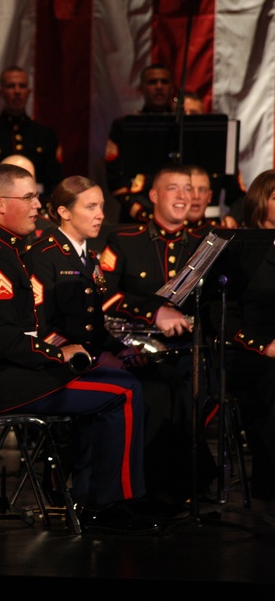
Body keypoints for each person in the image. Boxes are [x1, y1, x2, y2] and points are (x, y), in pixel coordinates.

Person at [0, 163, 158, 533]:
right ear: (0, 203)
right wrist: (60, 354)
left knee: (110, 380)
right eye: (28, 197)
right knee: (124, 392)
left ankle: (89, 496)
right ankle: (108, 504)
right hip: (1, 383)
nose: (37, 205)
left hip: (0, 373)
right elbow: (9, 342)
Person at [26, 176, 199, 511]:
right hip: (57, 364)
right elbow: (40, 327)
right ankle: (114, 497)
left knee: (164, 381)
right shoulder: (44, 255)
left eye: (102, 206)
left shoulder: (87, 257)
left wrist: (122, 350)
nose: (100, 214)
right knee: (131, 388)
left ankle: (165, 487)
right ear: (63, 211)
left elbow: (93, 324)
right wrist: (94, 357)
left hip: (90, 354)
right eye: (90, 207)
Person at [216, 169, 275, 501]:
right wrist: (262, 346)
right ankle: (269, 482)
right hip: (249, 351)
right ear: (259, 201)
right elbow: (220, 313)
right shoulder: (240, 247)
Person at [99, 164, 199, 337]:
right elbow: (102, 295)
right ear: (154, 195)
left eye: (187, 189)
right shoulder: (125, 240)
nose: (182, 196)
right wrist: (154, 312)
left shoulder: (203, 245)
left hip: (191, 346)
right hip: (137, 345)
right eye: (172, 188)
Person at [0, 66, 63, 200]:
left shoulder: (45, 135)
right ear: (0, 92)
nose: (17, 91)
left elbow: (54, 182)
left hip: (38, 206)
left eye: (22, 86)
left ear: (29, 92)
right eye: (11, 86)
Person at [104, 63, 175, 223]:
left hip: (178, 212)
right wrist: (140, 210)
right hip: (136, 215)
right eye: (152, 82)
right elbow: (114, 177)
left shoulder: (184, 126)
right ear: (142, 87)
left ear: (172, 87)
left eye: (164, 82)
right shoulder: (124, 126)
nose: (159, 87)